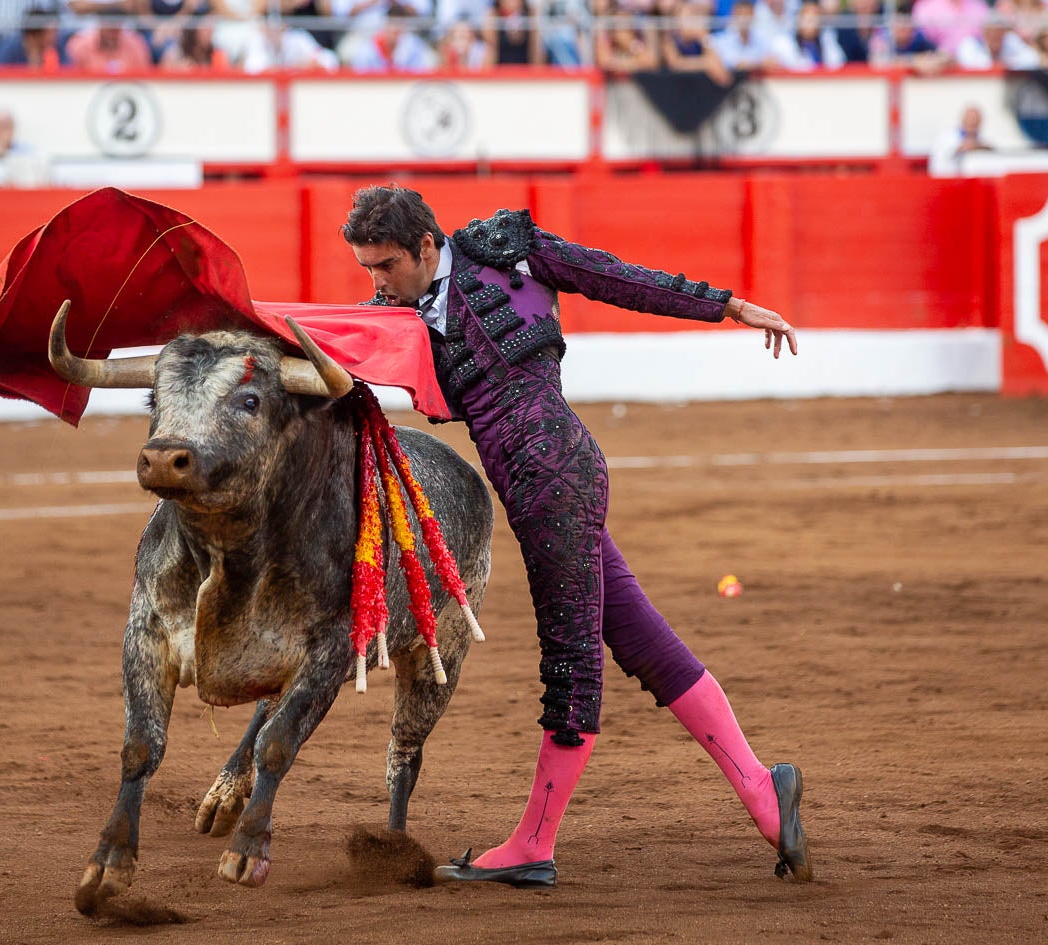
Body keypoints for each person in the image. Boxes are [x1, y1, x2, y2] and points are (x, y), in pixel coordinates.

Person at [339, 184, 810, 888]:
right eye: (367, 269)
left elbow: (615, 278)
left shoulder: (508, 252)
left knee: (570, 664)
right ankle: (762, 790)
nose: (377, 282)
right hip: (542, 483)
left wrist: (728, 305)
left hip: (551, 476)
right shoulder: (395, 315)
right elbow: (326, 347)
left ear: (426, 246)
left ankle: (533, 841)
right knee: (642, 641)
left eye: (384, 266)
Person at [928, 103, 993, 176]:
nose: (973, 123)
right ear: (963, 119)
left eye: (976, 121)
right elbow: (950, 152)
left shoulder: (982, 138)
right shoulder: (946, 136)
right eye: (971, 119)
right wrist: (966, 147)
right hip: (945, 181)